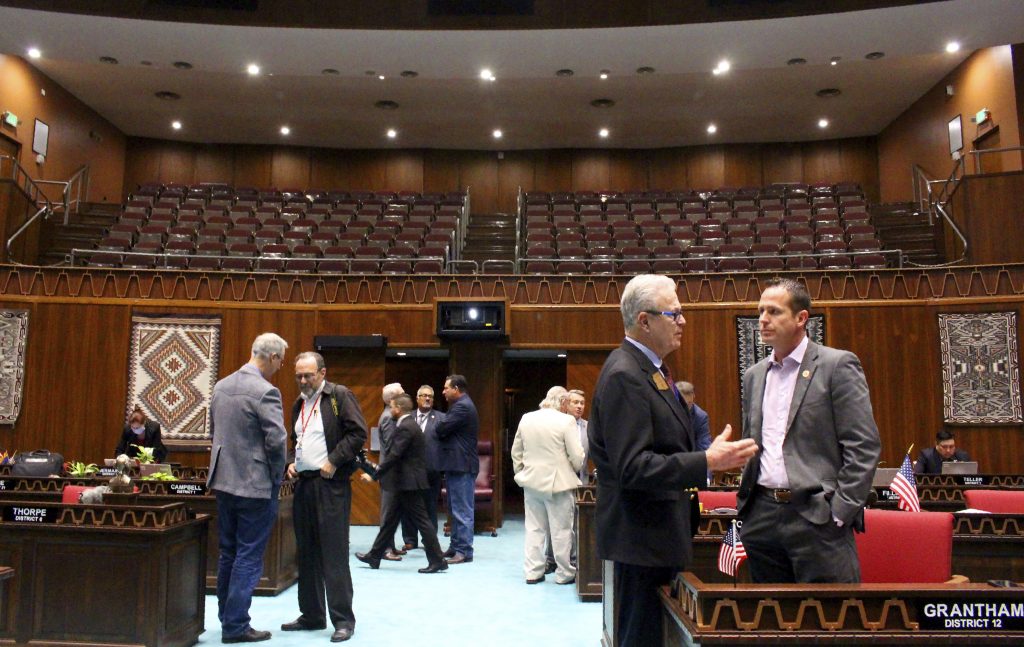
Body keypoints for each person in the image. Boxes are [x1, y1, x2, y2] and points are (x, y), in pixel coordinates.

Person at [590, 274, 758, 647]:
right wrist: (706, 461)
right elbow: (633, 467)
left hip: (657, 535)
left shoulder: (651, 371)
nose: (683, 321)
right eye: (674, 314)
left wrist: (703, 457)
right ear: (644, 320)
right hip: (641, 539)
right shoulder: (625, 375)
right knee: (642, 637)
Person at [736, 278, 881, 584]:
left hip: (817, 515)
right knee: (770, 620)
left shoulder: (836, 365)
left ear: (801, 318)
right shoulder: (754, 376)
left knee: (830, 623)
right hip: (761, 517)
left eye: (774, 311)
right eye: (761, 310)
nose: (762, 319)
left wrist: (840, 512)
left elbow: (863, 445)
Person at [207, 333, 289, 644]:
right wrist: (277, 475)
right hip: (254, 484)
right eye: (280, 361)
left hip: (224, 481)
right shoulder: (266, 391)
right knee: (249, 556)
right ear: (271, 357)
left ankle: (226, 617)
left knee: (227, 552)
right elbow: (276, 441)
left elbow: (217, 431)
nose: (279, 367)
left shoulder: (221, 385)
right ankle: (236, 625)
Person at [282, 352, 367, 643]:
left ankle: (343, 620)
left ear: (322, 373)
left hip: (331, 486)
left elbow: (358, 434)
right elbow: (298, 441)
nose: (303, 381)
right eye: (298, 376)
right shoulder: (298, 404)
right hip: (303, 486)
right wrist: (292, 462)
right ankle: (312, 615)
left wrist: (333, 460)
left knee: (334, 554)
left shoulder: (339, 396)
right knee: (305, 553)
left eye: (308, 375)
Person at [355, 393, 448, 574]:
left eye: (391, 407)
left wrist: (374, 475)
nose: (390, 410)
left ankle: (437, 560)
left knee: (423, 522)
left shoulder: (405, 427)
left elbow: (394, 455)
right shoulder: (409, 425)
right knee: (390, 521)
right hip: (405, 482)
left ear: (398, 408)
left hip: (409, 483)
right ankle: (375, 555)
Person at [512, 386, 584, 585]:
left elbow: (516, 451)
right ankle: (564, 573)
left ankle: (533, 572)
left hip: (531, 482)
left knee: (534, 529)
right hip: (559, 484)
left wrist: (521, 473)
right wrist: (574, 469)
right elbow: (577, 456)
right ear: (563, 402)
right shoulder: (566, 420)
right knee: (561, 530)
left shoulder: (527, 418)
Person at [436, 374, 479, 564]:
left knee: (462, 510)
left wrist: (438, 423)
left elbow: (441, 428)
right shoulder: (460, 405)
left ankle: (464, 551)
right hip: (456, 464)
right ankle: (455, 547)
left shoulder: (462, 406)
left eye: (446, 388)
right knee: (454, 510)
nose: (443, 391)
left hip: (462, 465)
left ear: (456, 389)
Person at [400, 385, 446, 550]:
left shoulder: (441, 419)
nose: (427, 399)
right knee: (408, 506)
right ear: (417, 398)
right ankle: (410, 540)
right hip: (409, 471)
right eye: (424, 396)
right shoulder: (407, 418)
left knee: (430, 507)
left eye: (430, 397)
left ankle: (429, 541)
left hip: (431, 470)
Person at [373, 383, 405, 561]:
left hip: (393, 471)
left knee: (393, 510)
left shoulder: (392, 416)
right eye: (402, 394)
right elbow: (392, 446)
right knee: (388, 511)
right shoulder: (388, 418)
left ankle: (390, 545)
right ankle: (384, 549)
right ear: (393, 399)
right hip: (390, 471)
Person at [677, 381, 711, 452]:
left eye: (689, 404)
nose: (685, 407)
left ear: (693, 397)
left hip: (691, 458)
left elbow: (704, 446)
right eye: (682, 403)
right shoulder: (665, 412)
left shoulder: (701, 417)